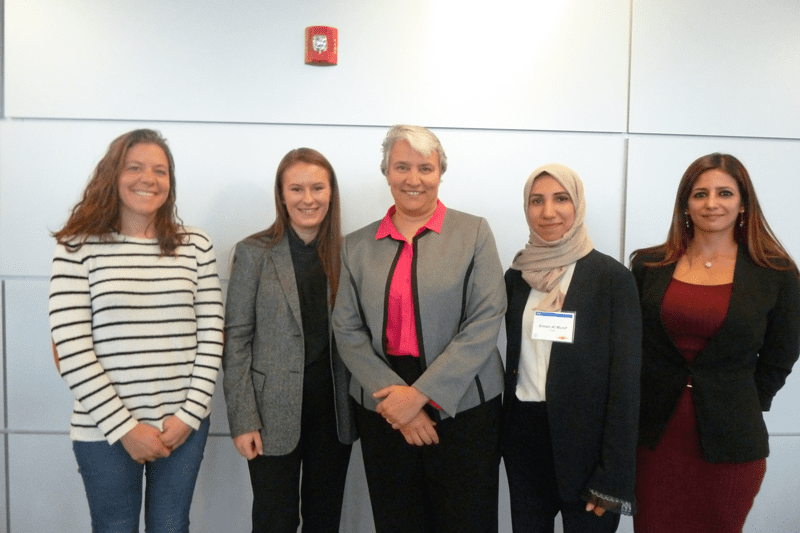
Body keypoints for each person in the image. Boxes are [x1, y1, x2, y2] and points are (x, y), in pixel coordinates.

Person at [332, 125, 506, 533]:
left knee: (467, 520)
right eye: (402, 167)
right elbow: (347, 328)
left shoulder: (474, 232)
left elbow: (486, 317)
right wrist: (401, 405)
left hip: (464, 400)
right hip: (384, 400)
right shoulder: (355, 245)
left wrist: (423, 396)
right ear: (387, 173)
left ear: (441, 172)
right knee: (398, 519)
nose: (414, 179)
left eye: (425, 168)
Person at [48, 129, 224, 532]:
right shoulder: (78, 246)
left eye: (160, 170)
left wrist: (188, 416)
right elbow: (72, 348)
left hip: (183, 426)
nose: (149, 178)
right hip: (104, 431)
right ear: (113, 174)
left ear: (170, 182)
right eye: (135, 167)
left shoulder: (195, 245)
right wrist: (126, 429)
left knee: (172, 525)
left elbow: (213, 335)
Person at [630, 153, 800, 532]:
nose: (711, 203)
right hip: (654, 437)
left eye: (724, 192)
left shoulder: (776, 272)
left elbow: (782, 354)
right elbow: (631, 347)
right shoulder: (648, 266)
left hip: (732, 438)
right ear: (685, 204)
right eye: (700, 194)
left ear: (743, 204)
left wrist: (743, 400)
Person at [223, 148, 356, 533]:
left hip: (334, 413)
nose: (308, 198)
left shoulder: (349, 253)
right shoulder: (254, 254)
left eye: (317, 187)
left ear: (331, 193)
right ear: (281, 195)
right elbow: (236, 342)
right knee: (274, 520)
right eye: (296, 188)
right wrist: (242, 419)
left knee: (324, 519)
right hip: (269, 414)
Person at [502, 163, 641, 533]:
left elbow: (626, 383)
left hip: (588, 446)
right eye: (537, 201)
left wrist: (614, 475)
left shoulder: (611, 278)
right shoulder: (517, 276)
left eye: (560, 198)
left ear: (577, 204)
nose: (548, 212)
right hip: (525, 440)